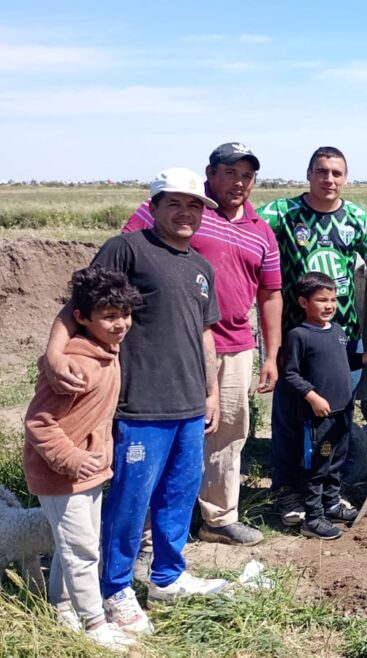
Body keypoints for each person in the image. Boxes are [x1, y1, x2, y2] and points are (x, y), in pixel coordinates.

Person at [44, 168, 229, 636]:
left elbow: (205, 334)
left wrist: (211, 392)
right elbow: (79, 305)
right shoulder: (127, 248)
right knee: (131, 499)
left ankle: (168, 575)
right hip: (140, 401)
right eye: (175, 204)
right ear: (154, 206)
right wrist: (54, 351)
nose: (186, 214)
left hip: (189, 402)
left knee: (179, 494)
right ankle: (115, 589)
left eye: (194, 206)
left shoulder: (201, 268)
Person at [122, 142, 281, 547]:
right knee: (161, 433)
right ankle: (141, 534)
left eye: (246, 175)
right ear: (210, 174)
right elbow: (128, 258)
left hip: (234, 345)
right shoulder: (182, 212)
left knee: (228, 432)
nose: (238, 182)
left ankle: (218, 518)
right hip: (170, 346)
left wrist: (271, 354)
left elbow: (270, 294)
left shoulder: (262, 232)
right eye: (229, 173)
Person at [257, 146, 367, 526]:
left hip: (342, 337)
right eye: (321, 171)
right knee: (290, 416)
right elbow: (243, 226)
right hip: (294, 336)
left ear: (345, 178)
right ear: (309, 175)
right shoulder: (283, 213)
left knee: (335, 418)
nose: (329, 179)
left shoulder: (355, 216)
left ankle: (327, 492)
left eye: (336, 173)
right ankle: (288, 492)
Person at [24, 265, 141, 653]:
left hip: (87, 469)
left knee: (73, 544)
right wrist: (72, 459)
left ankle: (62, 608)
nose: (121, 324)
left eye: (124, 314)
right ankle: (95, 624)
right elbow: (39, 423)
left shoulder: (107, 349)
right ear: (82, 318)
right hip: (61, 473)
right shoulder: (74, 366)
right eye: (109, 317)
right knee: (83, 549)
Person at [280, 273, 367, 539]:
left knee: (336, 462)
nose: (329, 305)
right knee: (317, 466)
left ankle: (332, 504)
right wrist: (312, 397)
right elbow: (290, 374)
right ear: (303, 302)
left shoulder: (337, 331)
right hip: (318, 420)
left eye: (333, 300)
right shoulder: (299, 335)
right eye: (321, 300)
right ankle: (312, 518)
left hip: (342, 413)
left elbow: (347, 362)